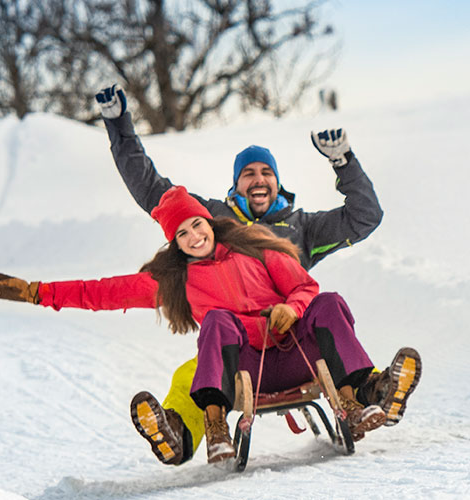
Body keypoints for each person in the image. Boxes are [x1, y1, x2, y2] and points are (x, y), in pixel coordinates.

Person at [0, 187, 422, 464]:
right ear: (174, 243)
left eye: (197, 224)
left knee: (327, 302)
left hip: (298, 355)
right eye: (183, 234)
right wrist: (39, 292)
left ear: (208, 221)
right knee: (215, 324)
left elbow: (304, 286)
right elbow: (104, 291)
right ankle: (208, 428)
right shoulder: (177, 281)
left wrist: (292, 306)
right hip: (245, 370)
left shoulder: (256, 249)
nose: (194, 236)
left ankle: (366, 396)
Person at [90, 85, 407, 465]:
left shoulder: (301, 228)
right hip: (236, 347)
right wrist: (117, 124)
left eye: (266, 172)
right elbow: (151, 189)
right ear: (235, 184)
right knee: (187, 376)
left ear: (277, 182)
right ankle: (178, 435)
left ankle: (378, 392)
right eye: (248, 174)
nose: (258, 180)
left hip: (294, 345)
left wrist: (344, 162)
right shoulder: (211, 221)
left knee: (332, 323)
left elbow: (364, 217)